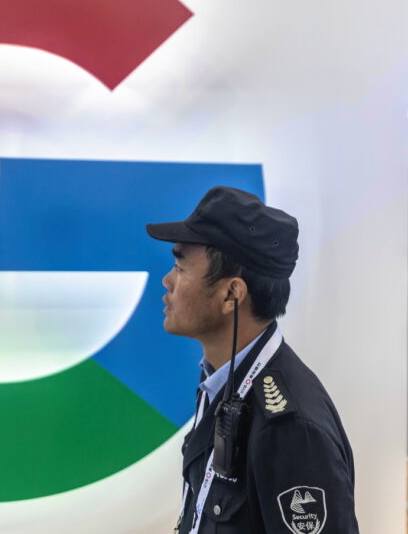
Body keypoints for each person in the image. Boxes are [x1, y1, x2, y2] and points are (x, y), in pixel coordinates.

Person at [145, 186, 359, 533]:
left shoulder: (291, 429)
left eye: (181, 267)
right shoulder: (224, 383)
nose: (167, 281)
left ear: (231, 294)